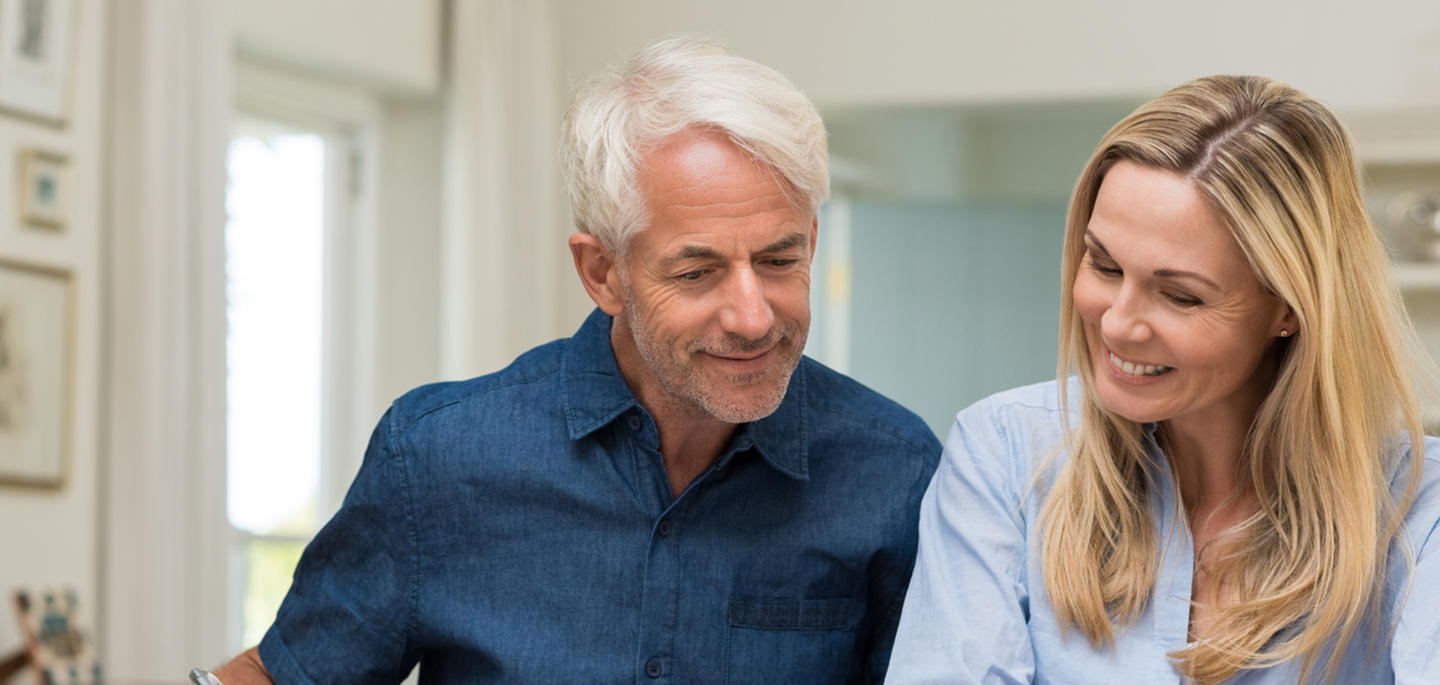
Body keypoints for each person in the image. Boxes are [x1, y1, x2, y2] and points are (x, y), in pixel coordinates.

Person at [209, 35, 941, 685]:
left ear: (811, 239)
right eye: (696, 272)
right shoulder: (437, 456)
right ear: (602, 273)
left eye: (780, 259)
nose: (753, 316)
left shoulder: (894, 471)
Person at [885, 75, 1440, 684]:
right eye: (1103, 265)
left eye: (1180, 296)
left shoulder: (1419, 510)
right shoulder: (1006, 456)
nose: (1119, 325)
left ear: (1290, 307)